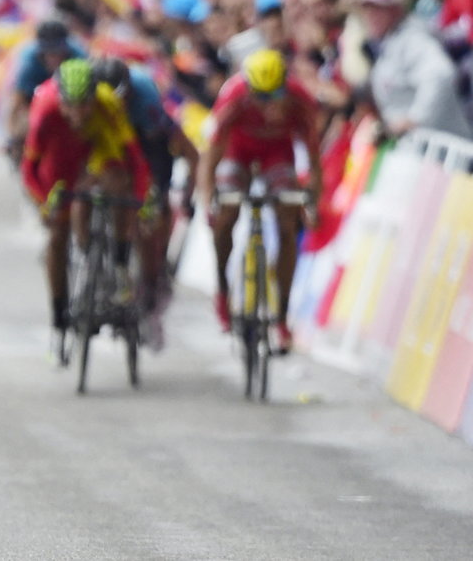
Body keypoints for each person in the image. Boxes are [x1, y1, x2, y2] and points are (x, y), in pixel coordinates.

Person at [197, 49, 322, 354]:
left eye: (275, 96)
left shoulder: (300, 99)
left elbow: (314, 157)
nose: (268, 105)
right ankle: (223, 291)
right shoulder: (234, 96)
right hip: (236, 152)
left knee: (288, 222)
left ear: (285, 84)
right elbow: (211, 155)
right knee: (225, 214)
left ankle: (280, 317)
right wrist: (206, 198)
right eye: (260, 98)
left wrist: (312, 202)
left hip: (277, 157)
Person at [20, 58, 151, 346]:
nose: (78, 114)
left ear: (95, 97)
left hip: (99, 147)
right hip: (61, 154)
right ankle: (58, 316)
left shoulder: (108, 103)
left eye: (85, 105)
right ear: (61, 100)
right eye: (72, 106)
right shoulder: (45, 109)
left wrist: (140, 201)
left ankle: (117, 259)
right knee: (56, 235)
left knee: (118, 182)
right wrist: (45, 205)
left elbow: (135, 160)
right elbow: (29, 169)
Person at [93, 57, 199, 348]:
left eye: (121, 98)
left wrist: (186, 196)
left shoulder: (146, 101)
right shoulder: (92, 99)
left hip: (147, 144)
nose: (118, 103)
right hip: (109, 138)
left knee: (148, 215)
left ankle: (151, 289)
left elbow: (189, 152)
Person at [359, 0, 473, 141]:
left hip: (438, 149)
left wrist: (415, 119)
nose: (371, 16)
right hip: (418, 147)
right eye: (367, 10)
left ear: (396, 10)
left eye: (379, 9)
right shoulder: (390, 41)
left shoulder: (412, 38)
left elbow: (440, 74)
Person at [5, 19, 88, 164]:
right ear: (40, 50)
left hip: (67, 100)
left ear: (66, 47)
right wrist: (14, 137)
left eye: (57, 51)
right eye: (48, 52)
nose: (53, 58)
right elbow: (16, 104)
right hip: (35, 98)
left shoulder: (79, 57)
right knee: (24, 125)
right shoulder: (28, 62)